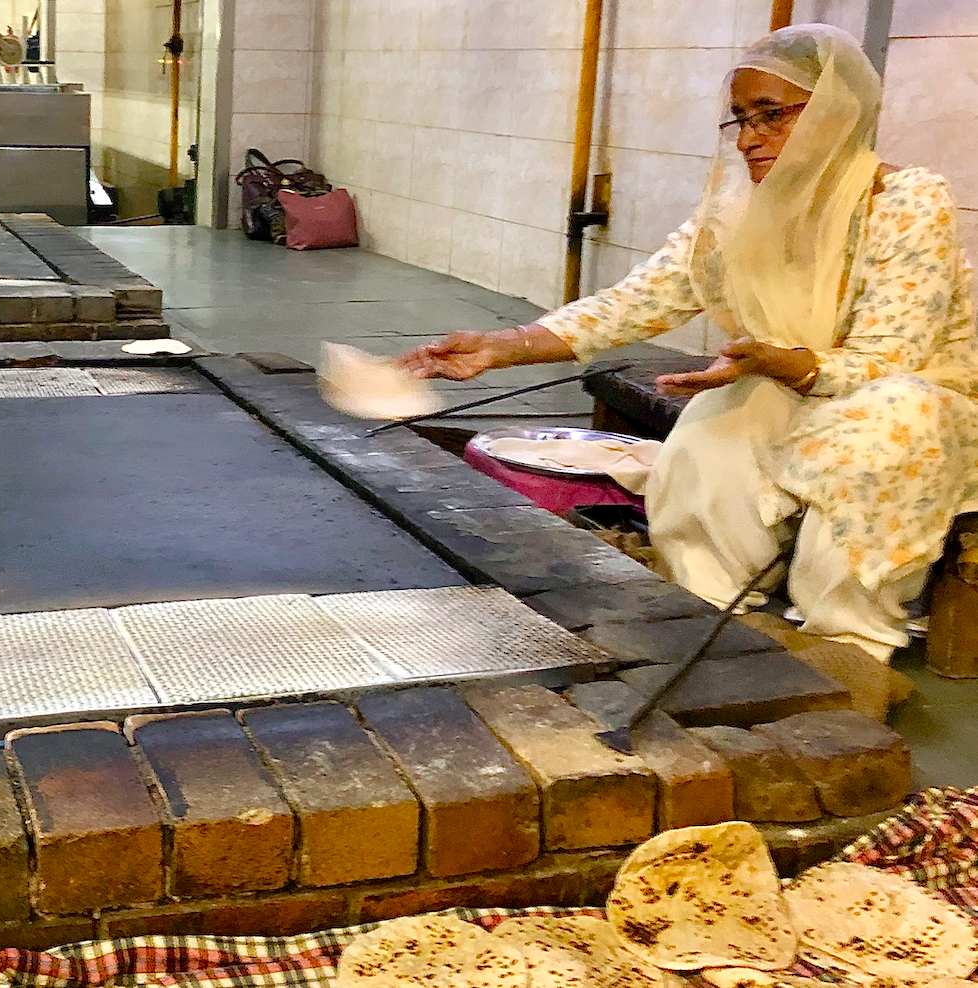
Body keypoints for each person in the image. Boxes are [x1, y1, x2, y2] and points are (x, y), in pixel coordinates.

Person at [398, 24, 978, 663]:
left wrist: (775, 361)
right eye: (740, 120)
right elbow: (636, 302)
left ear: (836, 114)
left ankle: (849, 634)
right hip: (793, 385)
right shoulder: (737, 212)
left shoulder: (907, 200)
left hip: (912, 401)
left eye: (772, 116)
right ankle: (708, 617)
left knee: (885, 427)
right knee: (712, 428)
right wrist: (505, 345)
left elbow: (888, 359)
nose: (751, 137)